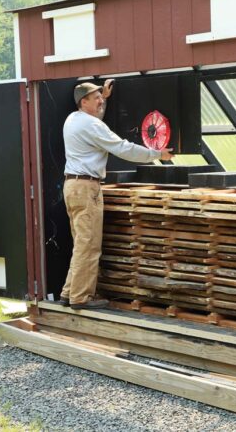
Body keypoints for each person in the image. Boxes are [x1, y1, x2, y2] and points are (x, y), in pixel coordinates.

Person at [59, 79, 174, 310]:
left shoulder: (73, 119)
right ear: (84, 101)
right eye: (96, 98)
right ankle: (81, 298)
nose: (101, 100)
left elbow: (95, 125)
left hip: (72, 186)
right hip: (87, 188)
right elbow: (123, 148)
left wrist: (105, 100)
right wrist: (156, 154)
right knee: (89, 245)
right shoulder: (91, 126)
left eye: (101, 97)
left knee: (80, 242)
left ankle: (69, 291)